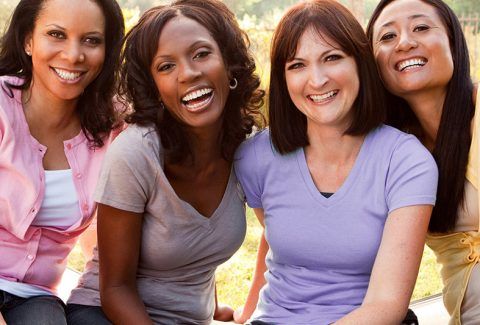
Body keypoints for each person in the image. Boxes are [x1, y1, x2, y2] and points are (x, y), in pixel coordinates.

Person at [233, 0, 438, 324]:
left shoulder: (407, 162)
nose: (317, 80)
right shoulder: (256, 158)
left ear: (360, 64)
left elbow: (387, 305)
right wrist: (247, 313)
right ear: (283, 79)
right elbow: (277, 238)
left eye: (332, 58)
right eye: (297, 65)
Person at [66, 0, 265, 324]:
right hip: (106, 314)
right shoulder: (136, 154)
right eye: (166, 66)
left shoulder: (247, 150)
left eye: (201, 54)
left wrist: (224, 309)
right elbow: (115, 288)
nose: (188, 73)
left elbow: (282, 235)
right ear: (154, 88)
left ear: (229, 65)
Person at [0, 0, 124, 324]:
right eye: (56, 34)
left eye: (91, 40)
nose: (73, 55)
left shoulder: (114, 124)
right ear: (28, 40)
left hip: (36, 295)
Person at [367, 0, 480, 323]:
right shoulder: (393, 152)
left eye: (420, 27)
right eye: (387, 37)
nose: (404, 42)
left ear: (453, 43)